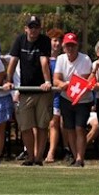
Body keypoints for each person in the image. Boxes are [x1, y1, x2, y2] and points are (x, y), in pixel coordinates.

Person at [4, 15, 52, 166]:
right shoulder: (20, 40)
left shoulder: (45, 40)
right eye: (31, 27)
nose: (33, 30)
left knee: (42, 125)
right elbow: (13, 61)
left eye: (36, 27)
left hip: (42, 92)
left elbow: (44, 61)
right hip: (25, 91)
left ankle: (38, 158)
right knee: (25, 126)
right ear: (26, 29)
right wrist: (8, 80)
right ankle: (30, 157)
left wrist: (47, 81)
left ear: (40, 28)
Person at [52, 32, 93, 167]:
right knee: (69, 128)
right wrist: (62, 84)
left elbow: (87, 81)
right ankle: (76, 158)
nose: (70, 49)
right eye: (68, 46)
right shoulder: (61, 59)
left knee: (79, 128)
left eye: (73, 46)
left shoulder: (85, 59)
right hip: (66, 98)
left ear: (77, 46)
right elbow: (56, 79)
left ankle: (80, 158)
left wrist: (69, 84)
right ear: (64, 47)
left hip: (83, 100)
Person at [45, 27, 65, 163]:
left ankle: (52, 152)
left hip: (59, 96)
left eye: (59, 41)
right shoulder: (43, 58)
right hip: (45, 95)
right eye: (54, 40)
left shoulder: (64, 59)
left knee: (55, 123)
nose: (56, 44)